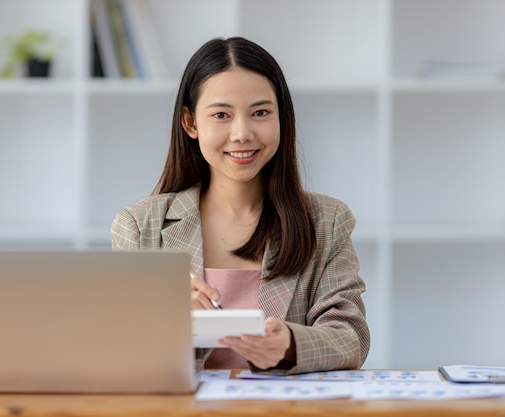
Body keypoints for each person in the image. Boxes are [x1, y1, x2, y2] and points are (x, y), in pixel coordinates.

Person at [111, 37, 370, 375]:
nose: (242, 133)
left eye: (260, 113)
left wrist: (291, 343)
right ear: (190, 123)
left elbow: (351, 337)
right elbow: (119, 351)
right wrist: (172, 322)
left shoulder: (326, 221)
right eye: (221, 115)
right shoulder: (139, 226)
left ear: (282, 117)